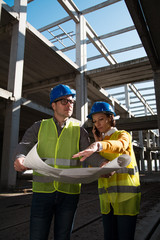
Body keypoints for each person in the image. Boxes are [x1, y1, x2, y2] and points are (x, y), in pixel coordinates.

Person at [14, 85, 107, 240]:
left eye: (71, 101)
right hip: (43, 192)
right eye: (63, 101)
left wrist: (103, 163)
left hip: (69, 193)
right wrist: (20, 157)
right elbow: (24, 145)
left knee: (63, 236)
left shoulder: (79, 129)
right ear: (53, 105)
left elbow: (88, 154)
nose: (69, 104)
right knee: (37, 236)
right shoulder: (40, 126)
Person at [73, 101, 141, 240]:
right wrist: (96, 154)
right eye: (95, 121)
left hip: (126, 199)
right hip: (107, 202)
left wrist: (99, 145)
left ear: (111, 118)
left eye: (101, 119)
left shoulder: (123, 135)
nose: (97, 124)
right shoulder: (101, 143)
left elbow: (120, 145)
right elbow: (96, 170)